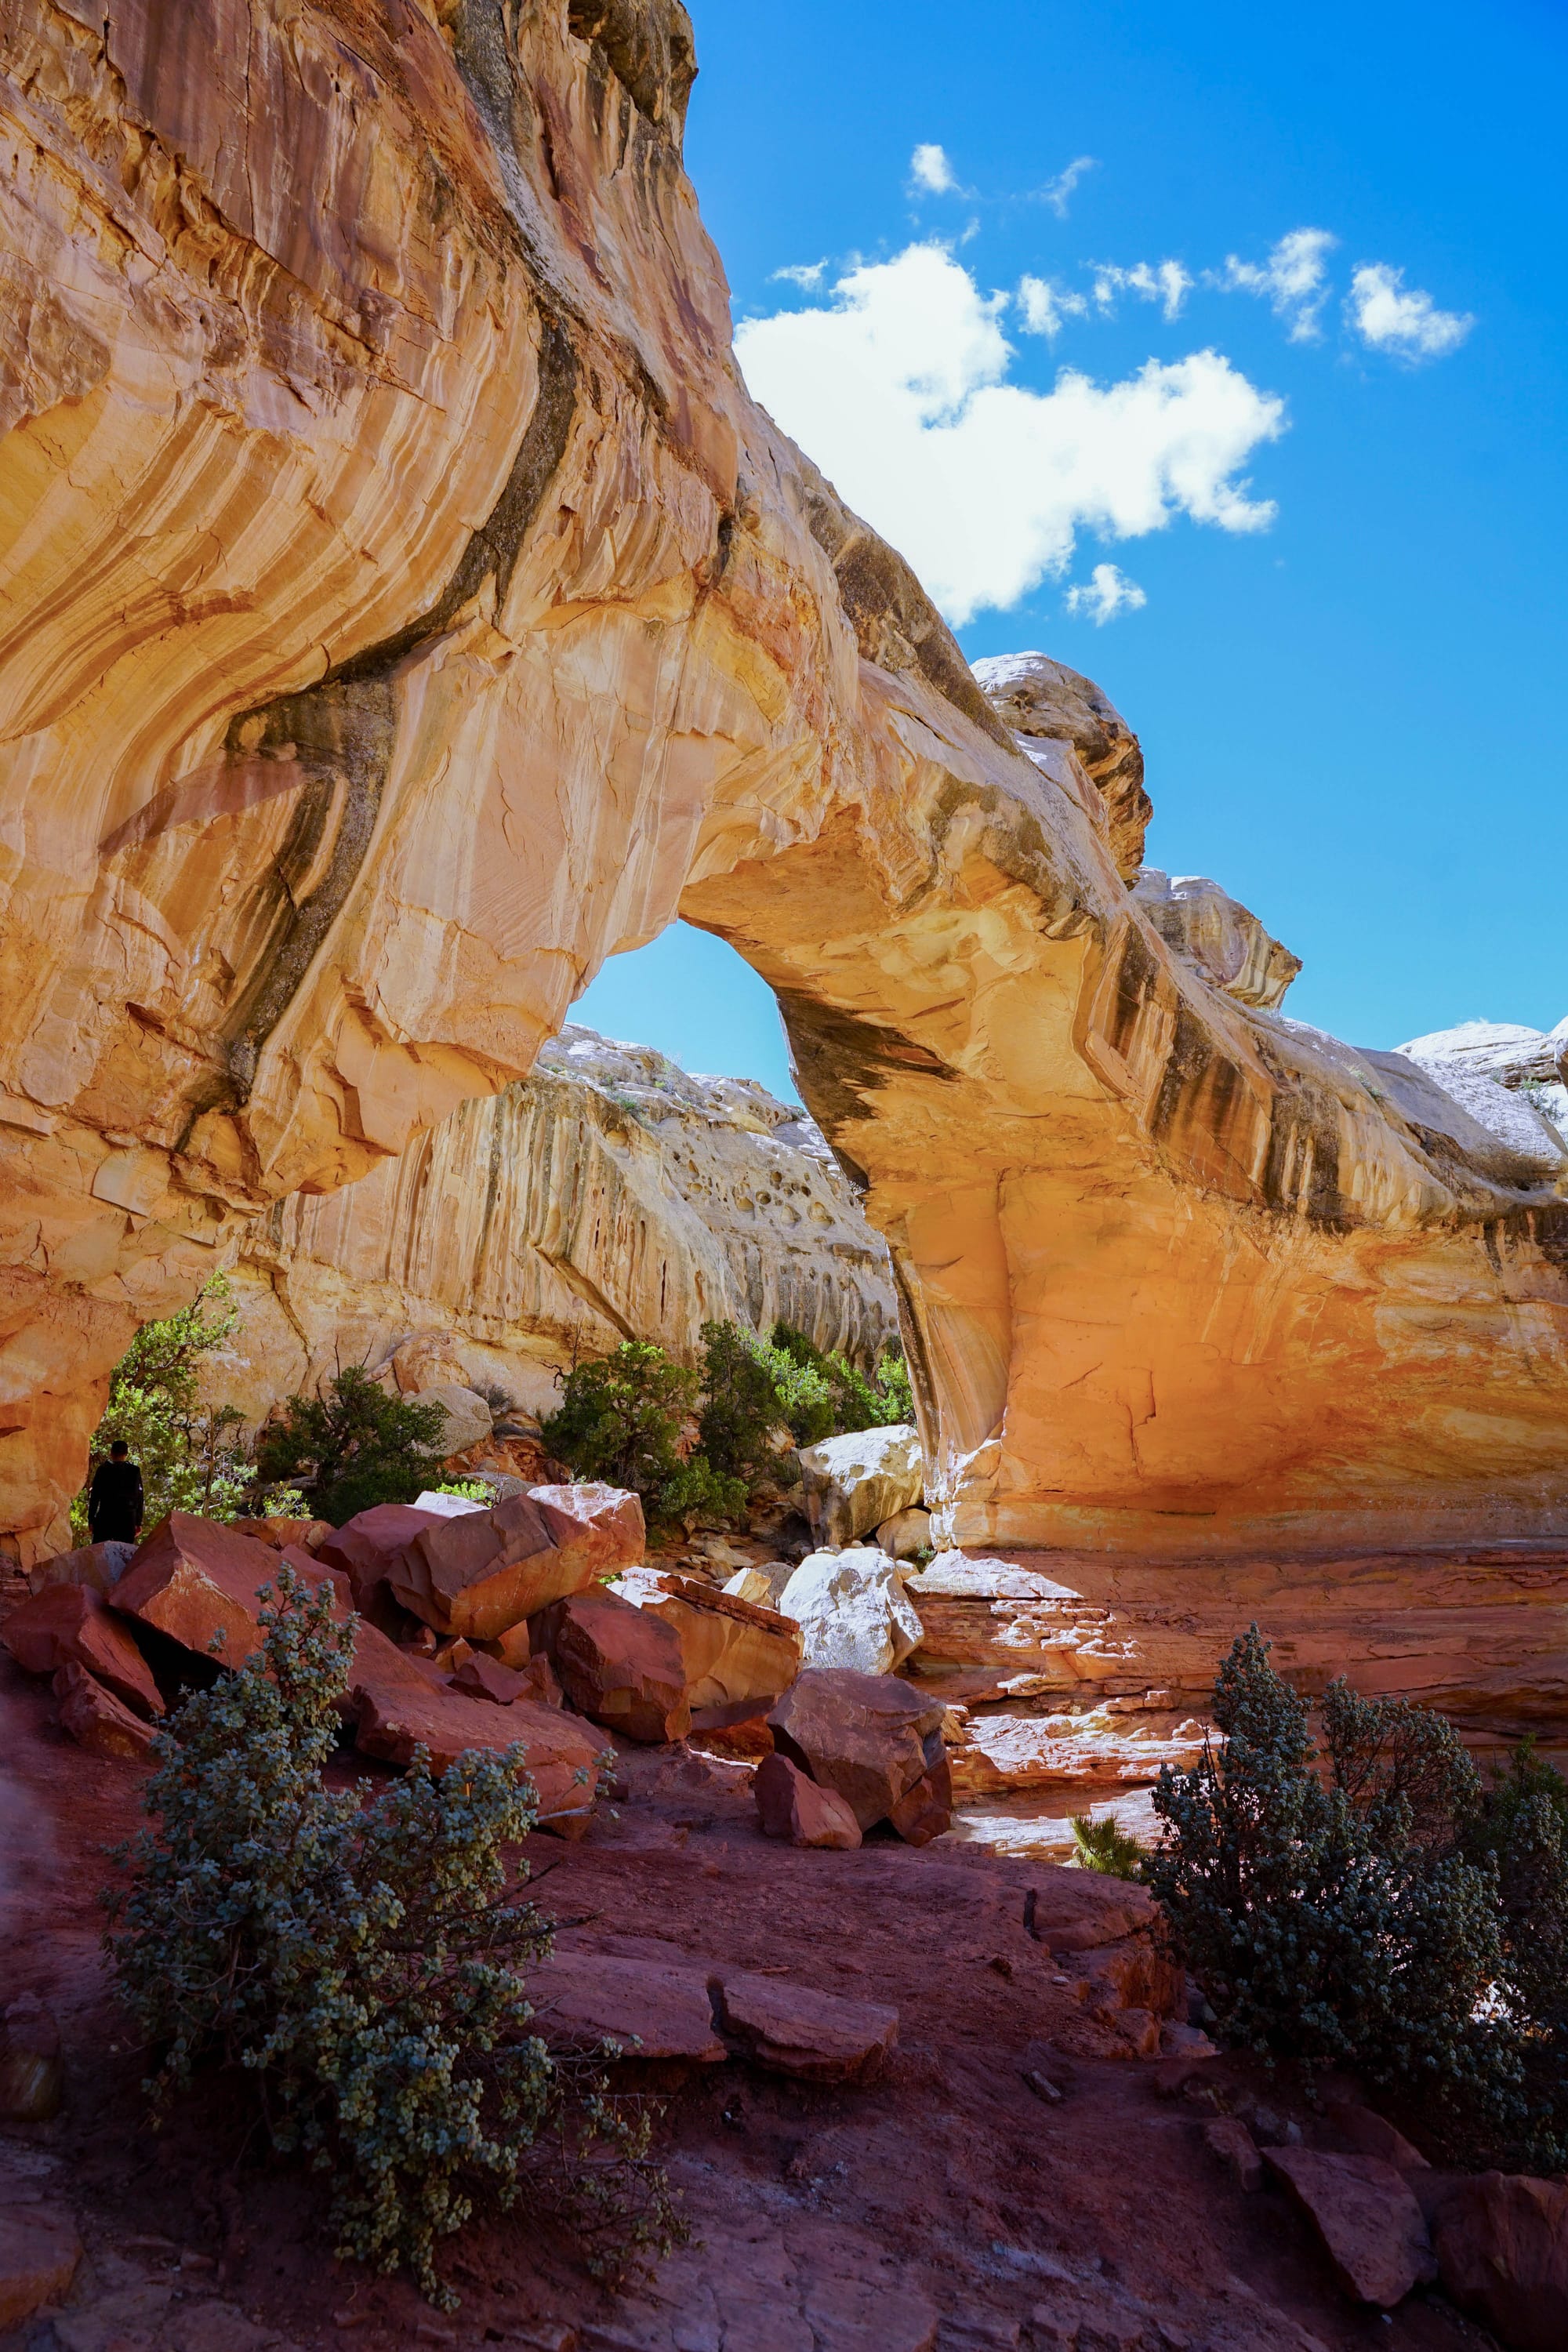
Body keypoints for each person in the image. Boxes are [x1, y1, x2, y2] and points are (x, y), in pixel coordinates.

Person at [87, 1439, 144, 1544]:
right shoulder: (134, 1471)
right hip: (127, 1519)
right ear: (126, 1454)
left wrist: (91, 1519)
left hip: (105, 1517)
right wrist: (138, 1521)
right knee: (123, 1556)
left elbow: (95, 1497)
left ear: (111, 1453)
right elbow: (139, 1498)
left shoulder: (103, 1470)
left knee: (100, 1553)